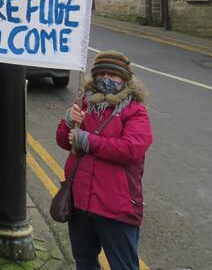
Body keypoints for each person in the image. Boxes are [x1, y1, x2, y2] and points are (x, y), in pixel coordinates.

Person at [55, 50, 153, 270]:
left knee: (123, 266)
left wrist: (88, 141)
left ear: (125, 79)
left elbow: (132, 149)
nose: (106, 80)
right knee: (85, 261)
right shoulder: (86, 103)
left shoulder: (135, 111)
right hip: (81, 203)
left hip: (116, 206)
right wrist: (69, 121)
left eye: (113, 75)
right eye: (101, 75)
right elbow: (64, 141)